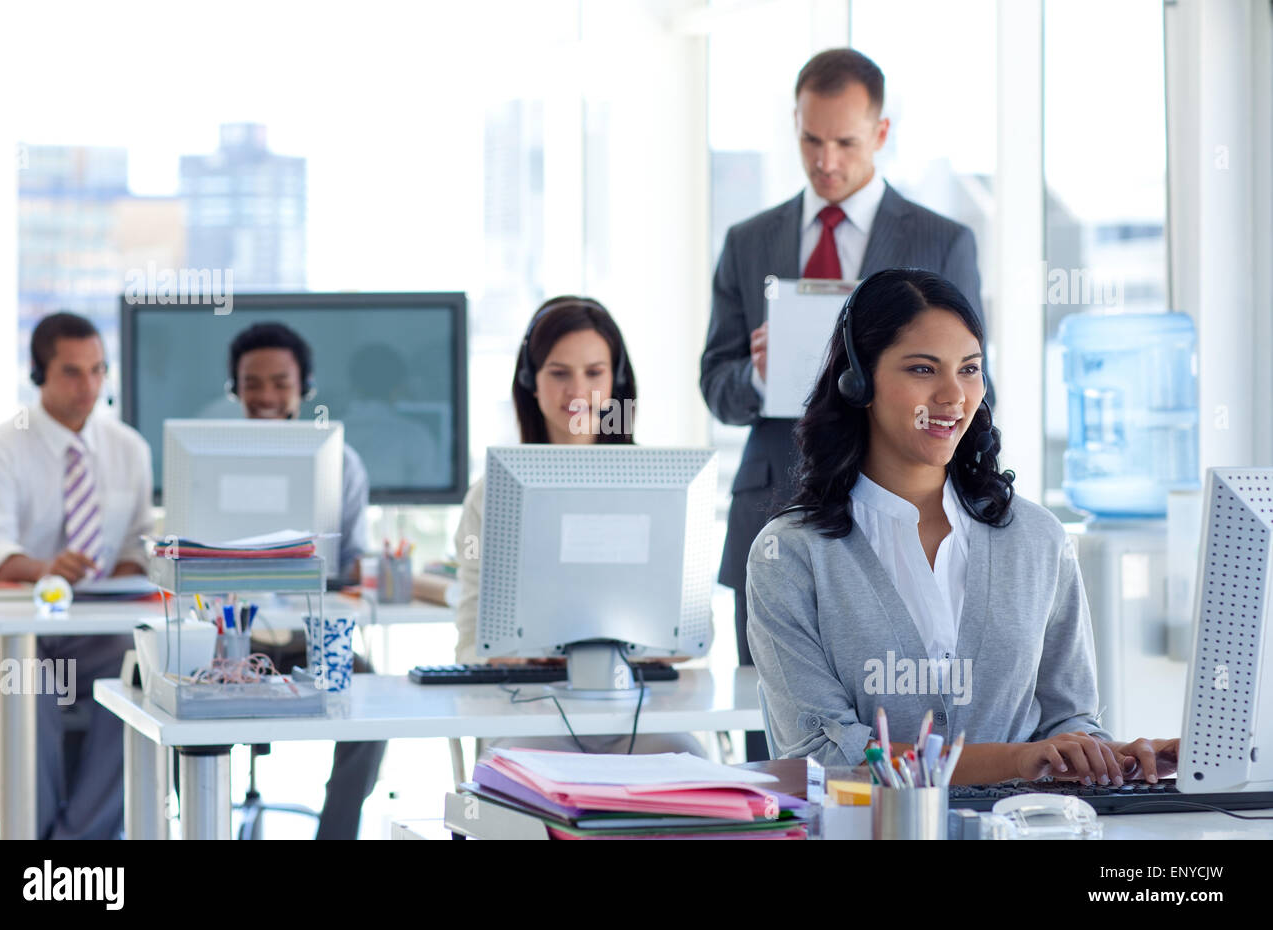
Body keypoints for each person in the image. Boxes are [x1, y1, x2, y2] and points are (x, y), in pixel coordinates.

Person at [747, 269, 1179, 784]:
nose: (954, 396)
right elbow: (819, 757)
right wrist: (1018, 761)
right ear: (859, 382)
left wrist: (1110, 758)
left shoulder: (1038, 538)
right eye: (923, 370)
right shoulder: (791, 555)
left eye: (969, 369)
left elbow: (1070, 719)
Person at [700, 48, 985, 760]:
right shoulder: (749, 241)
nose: (825, 161)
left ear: (881, 134)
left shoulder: (941, 242)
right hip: (773, 502)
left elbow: (966, 376)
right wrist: (760, 375)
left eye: (845, 142)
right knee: (775, 734)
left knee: (886, 713)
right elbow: (715, 383)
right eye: (810, 140)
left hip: (898, 502)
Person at [454, 296, 702, 756]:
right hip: (529, 709)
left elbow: (691, 637)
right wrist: (511, 653)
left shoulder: (660, 482)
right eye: (559, 372)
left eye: (594, 372)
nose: (577, 391)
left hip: (635, 708)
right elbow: (471, 641)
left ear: (616, 381)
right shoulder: (490, 495)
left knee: (692, 768)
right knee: (516, 779)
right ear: (530, 380)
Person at [0, 311, 153, 839]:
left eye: (99, 370)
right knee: (27, 689)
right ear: (39, 374)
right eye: (73, 372)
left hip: (97, 633)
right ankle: (31, 843)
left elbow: (135, 548)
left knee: (139, 674)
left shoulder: (129, 451)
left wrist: (119, 575)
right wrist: (47, 569)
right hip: (22, 633)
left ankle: (78, 846)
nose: (90, 386)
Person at [226, 322, 386, 839]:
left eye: (280, 381)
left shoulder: (342, 463)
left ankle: (336, 835)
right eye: (253, 382)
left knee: (368, 695)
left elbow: (356, 561)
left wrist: (361, 571)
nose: (267, 395)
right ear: (235, 388)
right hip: (231, 645)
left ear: (304, 388)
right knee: (182, 699)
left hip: (313, 639)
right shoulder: (210, 460)